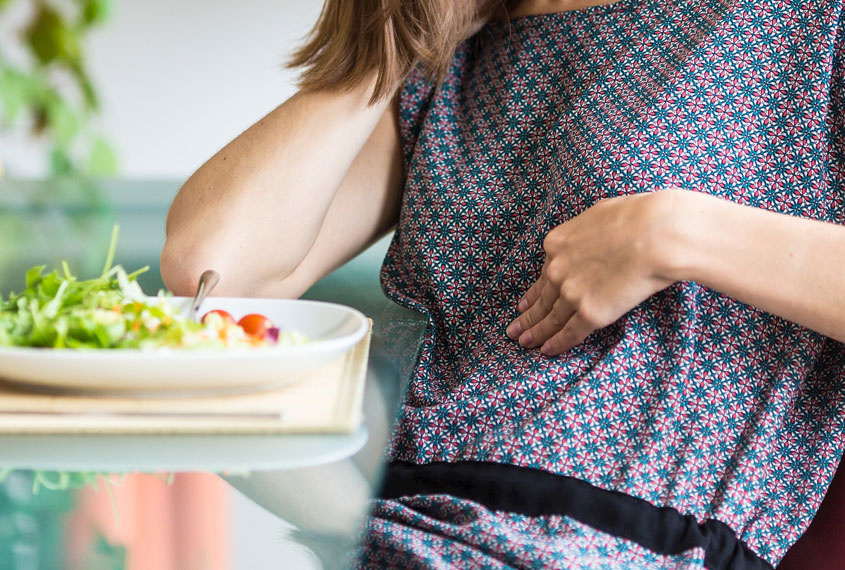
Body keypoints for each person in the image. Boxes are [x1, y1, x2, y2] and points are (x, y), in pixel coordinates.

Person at [161, 0, 845, 567]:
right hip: (391, 528)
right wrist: (390, 35)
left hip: (619, 543)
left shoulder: (803, 23)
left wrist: (674, 232)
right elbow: (212, 271)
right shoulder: (453, 52)